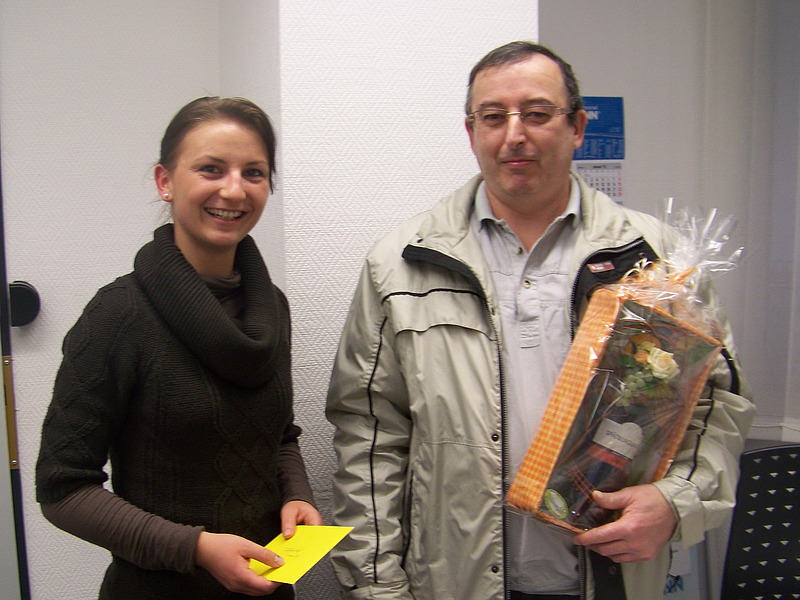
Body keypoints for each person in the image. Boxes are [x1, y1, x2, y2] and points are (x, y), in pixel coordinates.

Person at [326, 42, 754, 600]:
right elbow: (370, 436)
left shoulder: (657, 261)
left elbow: (716, 404)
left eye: (536, 113)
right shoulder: (401, 264)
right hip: (453, 583)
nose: (514, 134)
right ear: (471, 132)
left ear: (576, 127)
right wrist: (376, 585)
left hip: (609, 578)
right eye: (493, 117)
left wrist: (677, 501)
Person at [36, 96, 323, 599]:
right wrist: (194, 548)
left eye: (253, 173)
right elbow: (63, 489)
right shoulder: (118, 314)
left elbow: (279, 435)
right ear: (165, 181)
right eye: (211, 169)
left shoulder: (271, 307)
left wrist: (296, 494)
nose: (234, 189)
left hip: (268, 585)